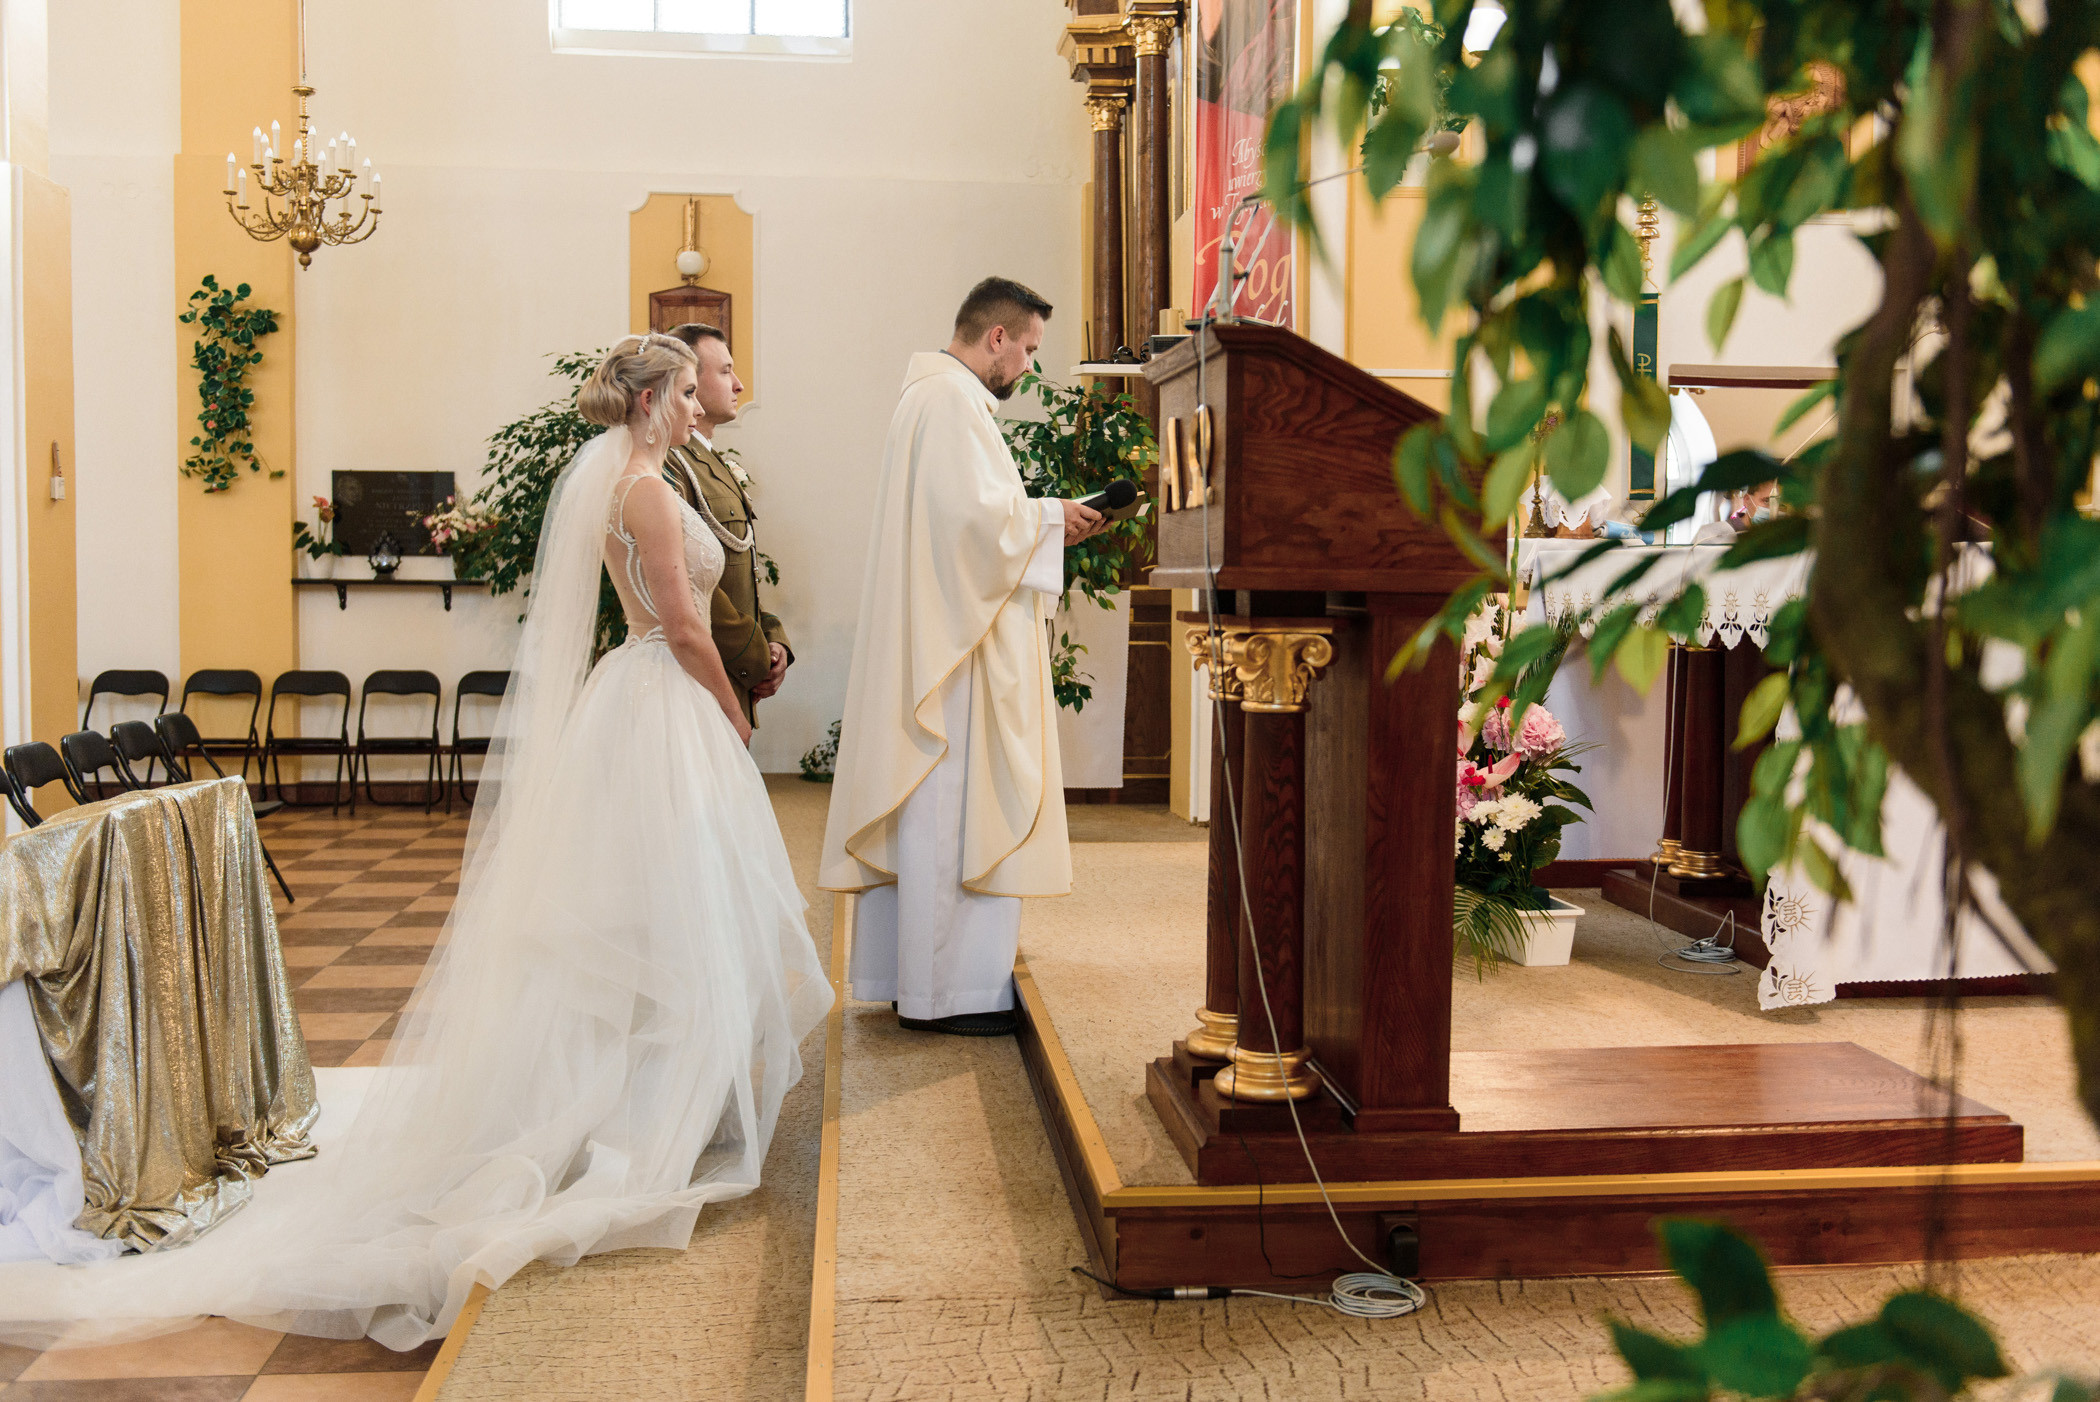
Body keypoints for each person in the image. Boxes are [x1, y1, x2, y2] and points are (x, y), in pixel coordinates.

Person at [0, 334, 832, 1349]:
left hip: (644, 700)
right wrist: (733, 714)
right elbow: (682, 622)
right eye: (691, 389)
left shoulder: (624, 479)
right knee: (678, 901)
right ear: (657, 394)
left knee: (661, 903)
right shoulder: (648, 492)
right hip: (668, 696)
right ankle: (656, 1111)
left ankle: (672, 1096)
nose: (705, 401)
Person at [819, 277, 1106, 1037]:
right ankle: (944, 994)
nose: (1029, 368)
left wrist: (1042, 522)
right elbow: (971, 524)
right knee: (951, 813)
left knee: (939, 815)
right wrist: (1054, 518)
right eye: (1030, 349)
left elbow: (972, 520)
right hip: (956, 658)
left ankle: (916, 977)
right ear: (998, 338)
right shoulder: (948, 401)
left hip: (949, 634)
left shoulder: (938, 398)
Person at [663, 321, 791, 725]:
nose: (738, 384)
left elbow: (740, 571)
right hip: (703, 676)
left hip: (732, 672)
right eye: (725, 371)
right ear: (689, 381)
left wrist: (775, 640)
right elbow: (688, 579)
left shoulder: (716, 463)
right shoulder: (670, 461)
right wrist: (754, 656)